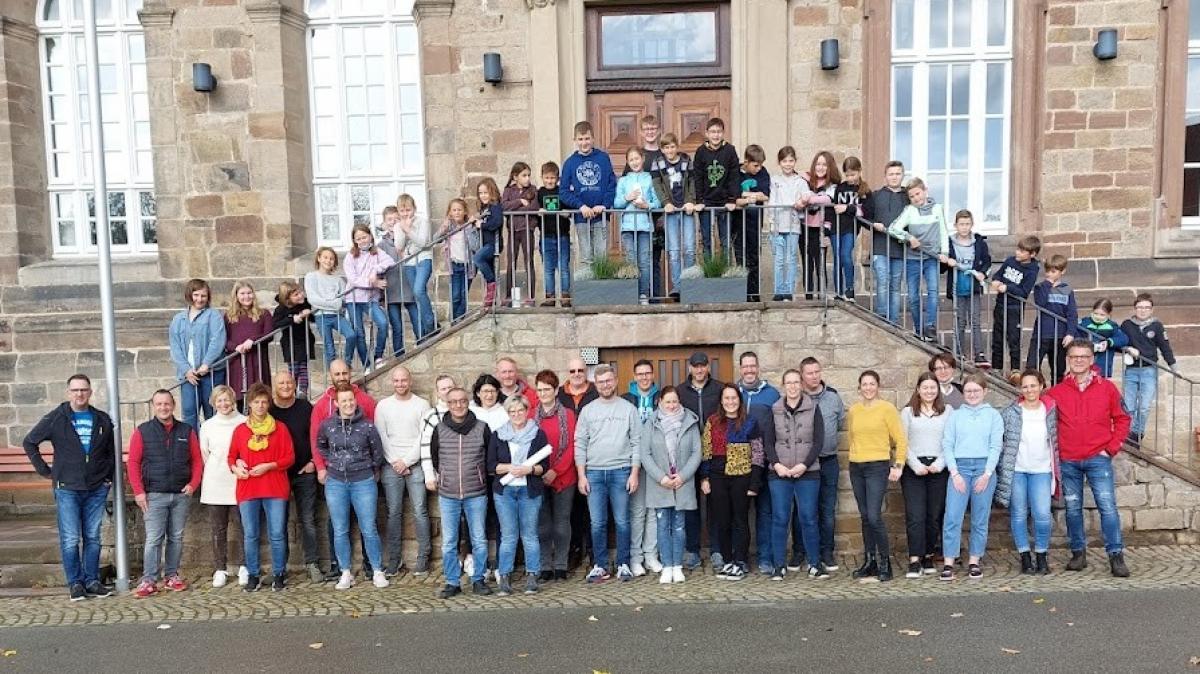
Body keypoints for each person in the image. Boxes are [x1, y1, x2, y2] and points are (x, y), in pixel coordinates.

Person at [22, 374, 116, 601]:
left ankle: (92, 581)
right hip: (67, 488)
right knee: (71, 538)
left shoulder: (101, 419)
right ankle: (75, 583)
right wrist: (47, 471)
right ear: (68, 393)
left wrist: (108, 478)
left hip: (95, 487)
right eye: (75, 390)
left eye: (83, 390)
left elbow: (109, 452)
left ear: (90, 392)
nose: (79, 394)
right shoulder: (57, 418)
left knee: (93, 537)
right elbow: (30, 441)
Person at [1048, 341, 1132, 577]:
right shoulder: (1057, 392)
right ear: (1068, 359)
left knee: (1107, 507)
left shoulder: (1107, 388)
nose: (1079, 360)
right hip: (1069, 459)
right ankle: (1078, 553)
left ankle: (1116, 555)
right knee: (1073, 508)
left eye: (1084, 356)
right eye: (1074, 356)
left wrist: (1111, 448)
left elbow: (1123, 419)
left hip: (1098, 458)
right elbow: (1039, 414)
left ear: (1092, 360)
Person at [128, 390, 203, 598]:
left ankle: (172, 576)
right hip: (154, 495)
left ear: (173, 405)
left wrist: (193, 484)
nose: (163, 407)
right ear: (154, 406)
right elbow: (133, 463)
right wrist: (139, 492)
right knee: (154, 538)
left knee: (176, 537)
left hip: (181, 494)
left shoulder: (186, 431)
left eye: (167, 403)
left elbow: (197, 460)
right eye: (159, 404)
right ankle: (149, 580)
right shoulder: (143, 431)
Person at [314, 384, 389, 590]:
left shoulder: (367, 426)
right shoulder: (327, 425)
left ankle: (377, 570)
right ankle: (345, 571)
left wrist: (366, 468)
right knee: (340, 529)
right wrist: (333, 461)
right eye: (343, 400)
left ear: (355, 401)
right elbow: (320, 445)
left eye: (351, 400)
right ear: (336, 403)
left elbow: (378, 453)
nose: (348, 404)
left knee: (369, 528)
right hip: (336, 482)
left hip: (363, 482)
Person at [309, 359, 376, 579]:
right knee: (337, 524)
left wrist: (373, 468)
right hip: (335, 477)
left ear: (350, 373)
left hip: (363, 476)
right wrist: (322, 466)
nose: (341, 377)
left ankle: (370, 565)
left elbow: (374, 436)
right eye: (336, 374)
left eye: (344, 373)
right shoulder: (321, 406)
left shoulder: (365, 401)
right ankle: (340, 566)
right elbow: (316, 439)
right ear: (331, 375)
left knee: (368, 524)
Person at [574, 364, 641, 583]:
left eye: (609, 381)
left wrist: (634, 472)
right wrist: (581, 475)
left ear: (616, 381)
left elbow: (636, 442)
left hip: (621, 471)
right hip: (593, 473)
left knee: (622, 521)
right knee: (597, 523)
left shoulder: (628, 409)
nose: (605, 385)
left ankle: (624, 564)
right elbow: (580, 443)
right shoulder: (588, 410)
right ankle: (600, 565)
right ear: (596, 384)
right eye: (601, 382)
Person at [228, 382, 294, 592]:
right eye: (256, 402)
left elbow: (289, 457)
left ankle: (279, 573)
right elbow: (232, 456)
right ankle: (253, 574)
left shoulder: (280, 428)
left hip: (274, 487)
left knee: (276, 534)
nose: (260, 406)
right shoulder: (240, 430)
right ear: (250, 405)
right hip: (248, 488)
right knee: (251, 534)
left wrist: (269, 466)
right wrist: (236, 466)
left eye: (264, 402)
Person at [430, 386, 495, 598]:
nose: (458, 405)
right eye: (453, 402)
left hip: (476, 492)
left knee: (478, 539)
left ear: (468, 403)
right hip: (448, 494)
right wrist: (446, 477)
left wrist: (479, 479)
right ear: (447, 405)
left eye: (462, 401)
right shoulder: (439, 429)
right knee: (449, 541)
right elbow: (436, 458)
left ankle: (478, 580)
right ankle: (452, 581)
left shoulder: (482, 428)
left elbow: (488, 460)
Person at [939, 374, 1003, 581]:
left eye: (976, 390)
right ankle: (949, 561)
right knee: (952, 516)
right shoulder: (955, 416)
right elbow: (947, 443)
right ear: (963, 393)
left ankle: (974, 560)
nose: (972, 394)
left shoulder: (993, 416)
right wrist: (955, 473)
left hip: (984, 468)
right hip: (960, 468)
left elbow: (996, 446)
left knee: (980, 518)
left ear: (984, 392)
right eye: (968, 391)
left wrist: (987, 474)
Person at [996, 370, 1060, 576]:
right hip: (1018, 470)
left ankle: (1041, 554)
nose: (1029, 390)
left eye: (1033, 385)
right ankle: (1025, 555)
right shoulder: (1011, 412)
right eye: (1025, 386)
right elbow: (999, 440)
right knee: (1019, 514)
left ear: (1041, 386)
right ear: (1020, 389)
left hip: (1042, 469)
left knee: (1042, 515)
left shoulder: (1050, 410)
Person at [845, 370, 906, 582]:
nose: (868, 388)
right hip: (857, 467)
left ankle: (884, 562)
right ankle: (869, 561)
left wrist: (898, 464)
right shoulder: (854, 410)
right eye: (864, 384)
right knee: (864, 516)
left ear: (878, 386)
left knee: (873, 515)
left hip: (877, 467)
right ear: (859, 387)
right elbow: (852, 437)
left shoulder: (887, 409)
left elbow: (900, 439)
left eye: (872, 384)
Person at [374, 366, 434, 577]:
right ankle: (394, 559)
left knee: (420, 510)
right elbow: (381, 436)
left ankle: (423, 557)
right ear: (392, 382)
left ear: (410, 381)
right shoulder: (383, 406)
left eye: (404, 380)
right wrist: (396, 462)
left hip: (416, 464)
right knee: (393, 512)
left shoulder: (422, 404)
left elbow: (424, 436)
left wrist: (407, 460)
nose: (400, 384)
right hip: (391, 465)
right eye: (396, 381)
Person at [700, 385, 765, 581]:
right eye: (726, 398)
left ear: (739, 400)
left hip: (741, 477)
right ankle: (727, 560)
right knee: (722, 520)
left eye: (734, 398)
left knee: (740, 520)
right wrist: (705, 477)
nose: (730, 402)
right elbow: (706, 451)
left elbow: (758, 454)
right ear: (721, 401)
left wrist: (755, 483)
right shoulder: (712, 421)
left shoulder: (750, 422)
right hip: (718, 476)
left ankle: (741, 560)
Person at [488, 395, 551, 595]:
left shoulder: (538, 434)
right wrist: (510, 467)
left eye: (520, 410)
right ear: (508, 414)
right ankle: (505, 577)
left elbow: (544, 467)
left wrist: (529, 470)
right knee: (508, 535)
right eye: (512, 411)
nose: (516, 415)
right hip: (505, 492)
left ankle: (532, 575)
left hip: (529, 490)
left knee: (530, 534)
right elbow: (490, 466)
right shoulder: (498, 435)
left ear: (527, 411)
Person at [766, 369, 825, 581]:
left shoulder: (813, 408)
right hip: (779, 474)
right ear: (783, 386)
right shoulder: (774, 410)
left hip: (807, 473)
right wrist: (777, 465)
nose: (792, 386)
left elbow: (818, 441)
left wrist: (804, 464)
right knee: (780, 518)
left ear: (801, 384)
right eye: (788, 383)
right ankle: (778, 565)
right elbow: (768, 441)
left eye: (795, 382)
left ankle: (815, 564)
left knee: (809, 518)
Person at [641, 386, 702, 584]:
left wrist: (682, 476)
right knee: (662, 525)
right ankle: (666, 565)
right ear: (660, 402)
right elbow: (645, 454)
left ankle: (677, 566)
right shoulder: (651, 423)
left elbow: (696, 453)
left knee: (679, 526)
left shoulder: (690, 421)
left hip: (682, 483)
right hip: (661, 484)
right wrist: (661, 478)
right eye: (668, 401)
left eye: (675, 401)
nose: (672, 405)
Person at [269, 371, 322, 583]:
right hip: (278, 474)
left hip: (304, 472)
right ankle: (280, 568)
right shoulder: (269, 411)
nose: (285, 386)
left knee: (308, 520)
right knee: (278, 524)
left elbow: (316, 437)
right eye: (281, 382)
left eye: (289, 382)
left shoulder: (305, 407)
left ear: (295, 384)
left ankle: (312, 563)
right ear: (275, 386)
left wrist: (313, 463)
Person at [899, 373, 951, 578]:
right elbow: (902, 442)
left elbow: (951, 440)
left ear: (937, 390)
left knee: (933, 515)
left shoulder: (948, 412)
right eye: (925, 387)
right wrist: (914, 464)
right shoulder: (908, 412)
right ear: (918, 389)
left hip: (938, 467)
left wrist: (939, 463)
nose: (929, 391)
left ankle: (929, 554)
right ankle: (914, 558)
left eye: (933, 387)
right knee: (915, 515)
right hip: (914, 468)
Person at [676, 351, 724, 570]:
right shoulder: (680, 392)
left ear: (708, 367)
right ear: (690, 368)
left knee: (715, 504)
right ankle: (692, 550)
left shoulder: (720, 389)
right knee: (690, 505)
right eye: (695, 366)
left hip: (715, 455)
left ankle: (716, 550)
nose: (699, 369)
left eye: (703, 366)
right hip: (687, 456)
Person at [887, 177, 948, 342]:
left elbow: (943, 232)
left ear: (925, 191)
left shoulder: (937, 209)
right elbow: (893, 228)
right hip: (913, 258)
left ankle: (930, 326)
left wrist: (945, 253)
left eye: (918, 194)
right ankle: (919, 329)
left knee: (933, 291)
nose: (916, 198)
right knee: (913, 295)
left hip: (931, 258)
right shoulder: (909, 211)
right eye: (912, 196)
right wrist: (908, 237)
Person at [736, 351, 780, 575]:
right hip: (739, 464)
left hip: (765, 463)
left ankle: (765, 557)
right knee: (740, 514)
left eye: (753, 366)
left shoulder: (772, 394)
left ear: (758, 367)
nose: (749, 370)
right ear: (740, 368)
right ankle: (740, 559)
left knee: (765, 512)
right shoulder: (733, 392)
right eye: (745, 367)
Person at [198, 385, 247, 588]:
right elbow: (205, 454)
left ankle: (245, 566)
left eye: (227, 399)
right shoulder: (207, 426)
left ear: (233, 400)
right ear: (213, 403)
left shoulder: (244, 422)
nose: (224, 404)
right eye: (219, 400)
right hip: (215, 482)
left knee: (244, 527)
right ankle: (220, 568)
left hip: (239, 482)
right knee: (218, 529)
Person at [800, 357, 844, 571]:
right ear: (802, 376)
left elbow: (840, 424)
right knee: (803, 510)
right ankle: (802, 552)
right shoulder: (796, 398)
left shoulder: (834, 398)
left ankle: (827, 552)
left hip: (828, 461)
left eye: (817, 371)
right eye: (809, 373)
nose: (814, 376)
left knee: (827, 509)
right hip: (804, 464)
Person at [533, 370, 576, 581]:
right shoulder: (531, 415)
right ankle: (545, 566)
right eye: (539, 389)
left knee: (561, 523)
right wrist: (539, 471)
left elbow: (571, 447)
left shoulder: (567, 414)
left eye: (547, 389)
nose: (543, 393)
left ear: (556, 390)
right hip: (537, 476)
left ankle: (560, 565)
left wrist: (555, 470)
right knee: (542, 525)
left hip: (563, 476)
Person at [1120, 293, 1178, 447]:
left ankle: (1137, 434)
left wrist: (1173, 366)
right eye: (1140, 307)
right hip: (1131, 370)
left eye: (1146, 308)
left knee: (1144, 407)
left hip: (1149, 371)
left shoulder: (1157, 326)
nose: (1143, 310)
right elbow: (1119, 343)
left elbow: (1165, 347)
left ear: (1152, 310)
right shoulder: (1127, 324)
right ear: (1135, 308)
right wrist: (1127, 348)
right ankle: (1129, 435)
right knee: (1128, 406)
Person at [169, 278, 227, 430]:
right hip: (189, 375)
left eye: (203, 296)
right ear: (190, 295)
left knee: (213, 410)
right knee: (189, 413)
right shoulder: (178, 319)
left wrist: (206, 363)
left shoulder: (213, 316)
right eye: (196, 295)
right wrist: (186, 370)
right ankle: (193, 448)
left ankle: (212, 448)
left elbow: (218, 341)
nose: (199, 299)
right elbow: (175, 347)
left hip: (211, 372)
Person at [623, 359, 662, 577]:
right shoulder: (626, 399)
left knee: (653, 511)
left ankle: (651, 555)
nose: (644, 377)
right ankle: (635, 557)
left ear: (653, 374)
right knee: (637, 512)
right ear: (634, 376)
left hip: (656, 463)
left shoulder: (660, 397)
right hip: (634, 462)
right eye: (640, 374)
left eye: (648, 373)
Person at [560, 120, 616, 266]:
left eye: (587, 138)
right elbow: (564, 192)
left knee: (601, 256)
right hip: (581, 218)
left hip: (601, 217)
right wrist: (581, 206)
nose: (584, 142)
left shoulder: (603, 158)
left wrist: (604, 205)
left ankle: (602, 289)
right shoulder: (570, 163)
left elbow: (612, 184)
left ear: (593, 138)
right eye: (580, 139)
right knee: (586, 257)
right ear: (575, 140)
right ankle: (588, 289)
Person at [650, 132, 697, 299]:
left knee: (690, 248)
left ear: (677, 146)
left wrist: (690, 200)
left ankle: (690, 284)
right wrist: (665, 203)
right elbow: (657, 184)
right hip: (670, 211)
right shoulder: (658, 163)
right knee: (674, 250)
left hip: (686, 209)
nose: (670, 150)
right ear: (662, 149)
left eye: (672, 146)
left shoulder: (686, 160)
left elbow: (692, 181)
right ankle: (677, 287)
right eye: (666, 147)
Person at [860, 160, 908, 322]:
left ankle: (893, 322)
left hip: (900, 249)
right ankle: (882, 319)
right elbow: (864, 219)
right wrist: (874, 225)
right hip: (880, 247)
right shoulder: (875, 195)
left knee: (895, 286)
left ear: (903, 175)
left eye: (897, 174)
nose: (894, 177)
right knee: (882, 280)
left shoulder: (908, 197)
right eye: (891, 174)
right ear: (885, 176)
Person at [943, 209, 991, 367]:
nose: (964, 227)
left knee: (975, 321)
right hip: (957, 287)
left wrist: (983, 273)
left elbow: (987, 262)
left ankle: (979, 354)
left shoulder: (979, 243)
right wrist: (946, 261)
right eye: (961, 224)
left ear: (972, 225)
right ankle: (958, 352)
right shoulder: (949, 242)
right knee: (960, 321)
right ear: (955, 225)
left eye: (967, 224)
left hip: (973, 288)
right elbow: (942, 266)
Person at [343, 224, 394, 371]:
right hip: (353, 299)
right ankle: (366, 364)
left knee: (383, 323)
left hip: (370, 299)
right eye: (358, 238)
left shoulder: (377, 252)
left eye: (364, 237)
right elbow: (353, 279)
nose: (362, 241)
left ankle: (378, 356)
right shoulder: (350, 256)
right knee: (359, 332)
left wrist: (376, 270)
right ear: (354, 240)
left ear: (370, 236)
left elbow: (390, 261)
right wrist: (373, 282)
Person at [990, 235, 1041, 378]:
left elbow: (1024, 292)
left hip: (1015, 308)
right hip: (1000, 304)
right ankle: (997, 367)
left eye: (1022, 251)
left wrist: (1007, 288)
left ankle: (1015, 370)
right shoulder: (1010, 261)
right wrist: (995, 280)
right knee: (997, 337)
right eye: (1018, 249)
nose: (1018, 253)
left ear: (1032, 254)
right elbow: (998, 275)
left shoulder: (1032, 270)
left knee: (1013, 338)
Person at [615, 146, 661, 304]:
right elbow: (616, 204)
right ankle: (631, 294)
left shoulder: (649, 178)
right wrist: (627, 197)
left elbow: (658, 202)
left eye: (637, 158)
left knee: (644, 261)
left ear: (643, 159)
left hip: (645, 226)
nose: (634, 162)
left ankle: (643, 294)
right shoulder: (623, 180)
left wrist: (647, 205)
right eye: (631, 159)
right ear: (627, 162)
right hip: (628, 226)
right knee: (631, 260)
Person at [388, 194, 437, 341]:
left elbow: (423, 242)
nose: (405, 214)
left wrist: (409, 230)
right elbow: (399, 247)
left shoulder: (423, 221)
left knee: (418, 289)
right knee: (417, 296)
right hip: (409, 262)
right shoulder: (398, 226)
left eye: (408, 210)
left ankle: (430, 323)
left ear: (414, 208)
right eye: (402, 211)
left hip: (423, 259)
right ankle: (429, 327)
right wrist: (403, 230)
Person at [1027, 254, 1079, 383]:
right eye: (1047, 271)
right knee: (1032, 366)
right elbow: (1041, 303)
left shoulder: (1066, 290)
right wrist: (1047, 285)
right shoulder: (1040, 287)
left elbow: (1072, 313)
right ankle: (1040, 388)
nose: (1049, 274)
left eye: (1053, 271)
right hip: (1041, 334)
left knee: (1058, 369)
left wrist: (1070, 333)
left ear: (1062, 272)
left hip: (1059, 335)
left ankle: (1057, 395)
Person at [693, 117, 739, 258]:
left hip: (724, 202)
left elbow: (734, 176)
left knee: (725, 241)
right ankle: (709, 273)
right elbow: (698, 177)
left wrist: (732, 199)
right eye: (712, 132)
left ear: (723, 133)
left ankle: (726, 272)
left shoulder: (730, 150)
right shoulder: (701, 152)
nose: (716, 135)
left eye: (718, 131)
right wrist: (699, 200)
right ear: (707, 133)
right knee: (707, 241)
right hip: (706, 202)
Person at [304, 247, 357, 369]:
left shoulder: (338, 280)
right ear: (319, 258)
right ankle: (333, 372)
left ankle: (347, 364)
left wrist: (335, 303)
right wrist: (335, 303)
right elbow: (314, 300)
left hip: (337, 315)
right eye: (325, 257)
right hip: (321, 315)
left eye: (331, 259)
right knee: (329, 346)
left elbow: (344, 299)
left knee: (351, 335)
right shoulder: (311, 276)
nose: (328, 261)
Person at [224, 279, 273, 404]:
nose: (246, 296)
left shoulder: (264, 314)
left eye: (249, 293)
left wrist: (253, 340)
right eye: (242, 293)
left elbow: (269, 334)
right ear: (236, 296)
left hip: (257, 360)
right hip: (237, 361)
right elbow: (224, 340)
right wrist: (236, 347)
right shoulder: (228, 316)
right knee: (239, 398)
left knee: (259, 396)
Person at [732, 144, 770, 301]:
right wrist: (750, 196)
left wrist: (746, 197)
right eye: (755, 165)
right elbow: (733, 193)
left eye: (760, 165)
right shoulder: (736, 172)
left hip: (755, 223)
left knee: (754, 259)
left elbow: (765, 195)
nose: (758, 168)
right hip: (737, 223)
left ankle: (754, 294)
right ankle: (743, 295)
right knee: (741, 259)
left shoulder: (763, 173)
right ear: (746, 162)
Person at [798, 151, 838, 299]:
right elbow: (799, 195)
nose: (820, 167)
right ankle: (808, 296)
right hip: (804, 227)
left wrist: (809, 198)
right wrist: (809, 196)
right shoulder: (805, 180)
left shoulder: (833, 185)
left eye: (824, 164)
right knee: (806, 263)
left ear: (829, 167)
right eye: (818, 164)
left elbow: (828, 199)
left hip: (821, 229)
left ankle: (822, 297)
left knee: (820, 264)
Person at [376, 205, 414, 357]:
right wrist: (379, 293)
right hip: (391, 290)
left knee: (416, 320)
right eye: (389, 219)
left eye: (396, 219)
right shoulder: (381, 245)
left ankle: (422, 344)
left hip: (408, 285)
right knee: (397, 326)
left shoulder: (408, 238)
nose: (393, 222)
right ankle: (399, 355)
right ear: (384, 223)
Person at [501, 162, 539, 306]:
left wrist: (518, 209)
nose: (527, 178)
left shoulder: (533, 190)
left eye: (528, 175)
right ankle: (509, 296)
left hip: (527, 229)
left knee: (528, 262)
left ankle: (531, 296)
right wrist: (520, 202)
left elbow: (533, 208)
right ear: (515, 177)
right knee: (511, 263)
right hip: (513, 230)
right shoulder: (508, 191)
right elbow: (504, 207)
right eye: (524, 175)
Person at [829, 156, 867, 301]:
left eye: (853, 174)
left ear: (859, 172)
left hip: (851, 228)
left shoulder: (864, 189)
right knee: (837, 258)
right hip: (836, 227)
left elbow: (864, 211)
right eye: (847, 175)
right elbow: (833, 208)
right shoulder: (840, 188)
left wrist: (847, 208)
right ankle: (838, 292)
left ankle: (850, 289)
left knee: (846, 255)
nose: (850, 178)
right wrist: (828, 228)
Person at [537, 161, 573, 307]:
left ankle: (565, 297)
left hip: (562, 235)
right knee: (548, 268)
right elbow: (535, 208)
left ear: (557, 179)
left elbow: (570, 208)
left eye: (552, 178)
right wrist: (539, 211)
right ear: (542, 178)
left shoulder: (562, 192)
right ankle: (550, 297)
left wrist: (566, 213)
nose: (549, 181)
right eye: (547, 178)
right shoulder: (540, 193)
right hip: (546, 236)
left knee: (564, 266)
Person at [271, 280, 316, 397]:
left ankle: (303, 391)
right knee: (294, 368)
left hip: (304, 340)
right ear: (287, 299)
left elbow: (313, 318)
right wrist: (292, 319)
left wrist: (309, 313)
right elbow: (275, 323)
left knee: (303, 367)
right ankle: (292, 390)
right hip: (290, 343)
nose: (301, 295)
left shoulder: (305, 304)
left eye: (300, 292)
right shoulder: (281, 309)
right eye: (296, 295)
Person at [439, 198, 475, 323]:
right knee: (455, 295)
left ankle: (460, 319)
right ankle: (454, 319)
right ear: (450, 212)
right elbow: (435, 239)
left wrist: (470, 227)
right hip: (454, 265)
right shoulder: (449, 227)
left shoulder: (469, 226)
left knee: (464, 294)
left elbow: (475, 245)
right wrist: (443, 229)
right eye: (454, 210)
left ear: (465, 212)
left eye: (459, 210)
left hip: (467, 265)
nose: (457, 212)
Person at [473, 177, 505, 308]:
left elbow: (497, 222)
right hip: (485, 243)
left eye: (485, 193)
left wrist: (482, 225)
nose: (483, 196)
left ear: (492, 192)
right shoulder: (484, 208)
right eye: (480, 193)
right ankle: (493, 298)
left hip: (493, 243)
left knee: (478, 258)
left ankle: (492, 285)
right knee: (489, 268)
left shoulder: (495, 206)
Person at [1078, 298, 1128, 378]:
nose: (1098, 317)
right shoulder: (1084, 323)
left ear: (1108, 315)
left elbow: (1123, 339)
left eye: (1102, 315)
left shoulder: (1112, 326)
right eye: (1096, 313)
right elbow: (1076, 336)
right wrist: (1088, 344)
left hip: (1103, 364)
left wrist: (1109, 342)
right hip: (1084, 362)